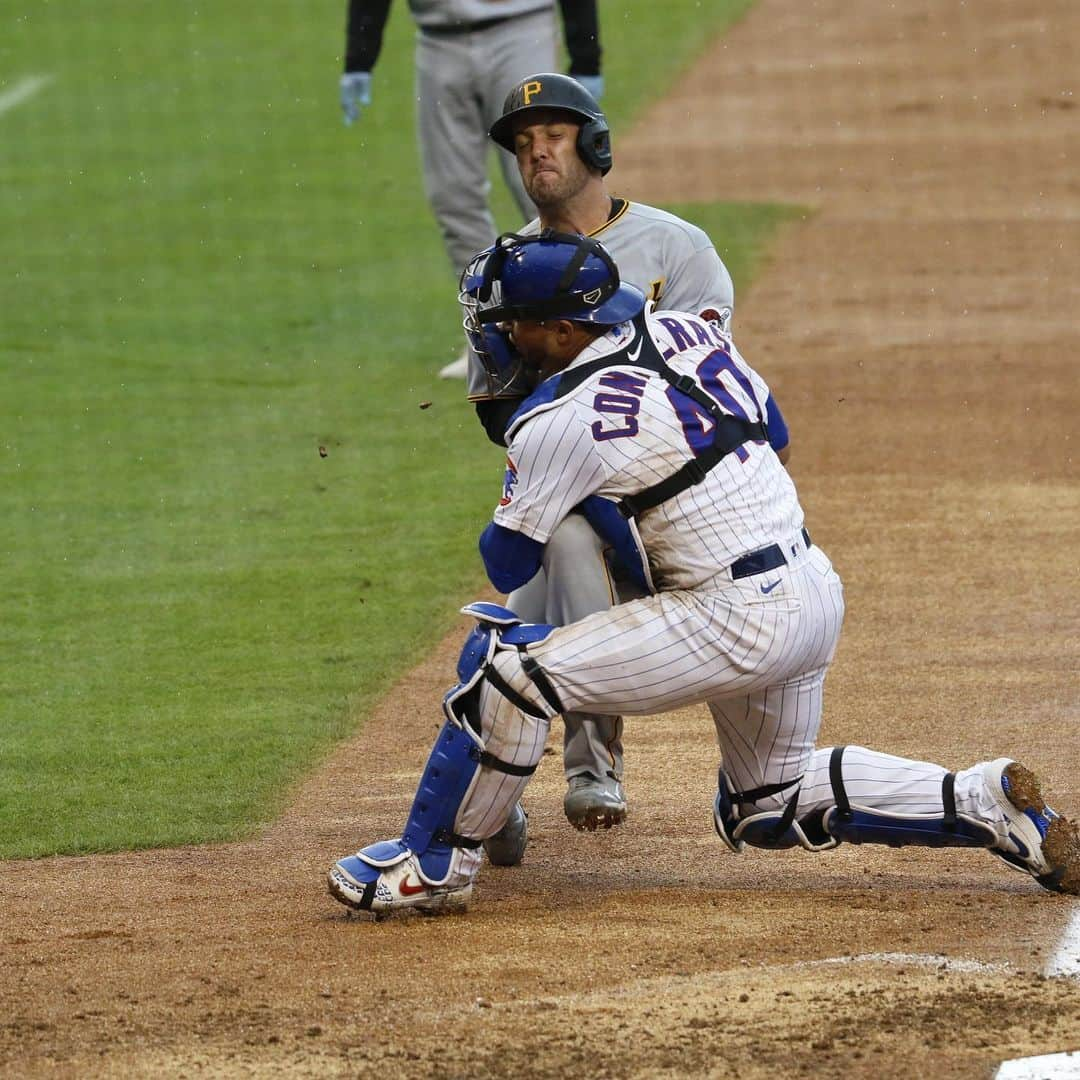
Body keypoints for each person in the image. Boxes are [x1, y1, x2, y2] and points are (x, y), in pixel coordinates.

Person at [327, 232, 1079, 916]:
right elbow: (775, 435)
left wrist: (572, 486)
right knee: (768, 806)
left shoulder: (557, 421)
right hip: (811, 587)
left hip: (734, 616)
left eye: (510, 321)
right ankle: (986, 803)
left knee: (507, 672)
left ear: (560, 331)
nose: (499, 334)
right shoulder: (686, 328)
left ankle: (432, 866)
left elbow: (508, 562)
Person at [460, 73, 737, 866]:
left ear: (595, 144)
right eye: (521, 141)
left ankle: (500, 784)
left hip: (669, 500)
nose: (535, 149)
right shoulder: (498, 270)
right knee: (558, 556)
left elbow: (708, 386)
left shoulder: (675, 247)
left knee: (522, 604)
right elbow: (499, 417)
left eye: (552, 132)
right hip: (566, 491)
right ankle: (570, 775)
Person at [340, 1, 602, 282]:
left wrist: (586, 55)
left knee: (549, 182)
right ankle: (489, 313)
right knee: (452, 195)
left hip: (523, 32)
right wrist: (360, 55)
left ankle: (582, 301)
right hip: (437, 41)